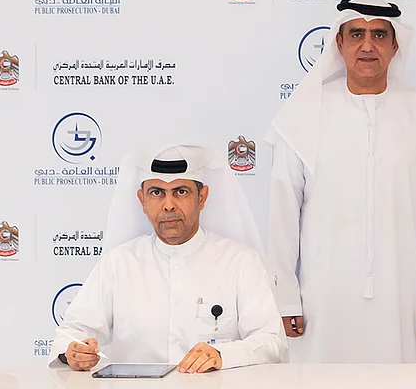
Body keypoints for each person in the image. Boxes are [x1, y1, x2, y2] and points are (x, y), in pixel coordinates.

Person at [266, 0, 416, 363]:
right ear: (339, 43)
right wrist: (284, 296)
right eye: (356, 34)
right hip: (322, 300)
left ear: (394, 45)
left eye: (379, 35)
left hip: (403, 297)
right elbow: (283, 212)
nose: (367, 45)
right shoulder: (304, 113)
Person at [52, 144, 286, 373]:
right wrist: (73, 352)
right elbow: (72, 332)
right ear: (142, 200)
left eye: (180, 192)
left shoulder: (240, 262)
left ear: (202, 197)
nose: (168, 205)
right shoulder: (119, 263)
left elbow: (271, 340)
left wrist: (222, 355)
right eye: (157, 193)